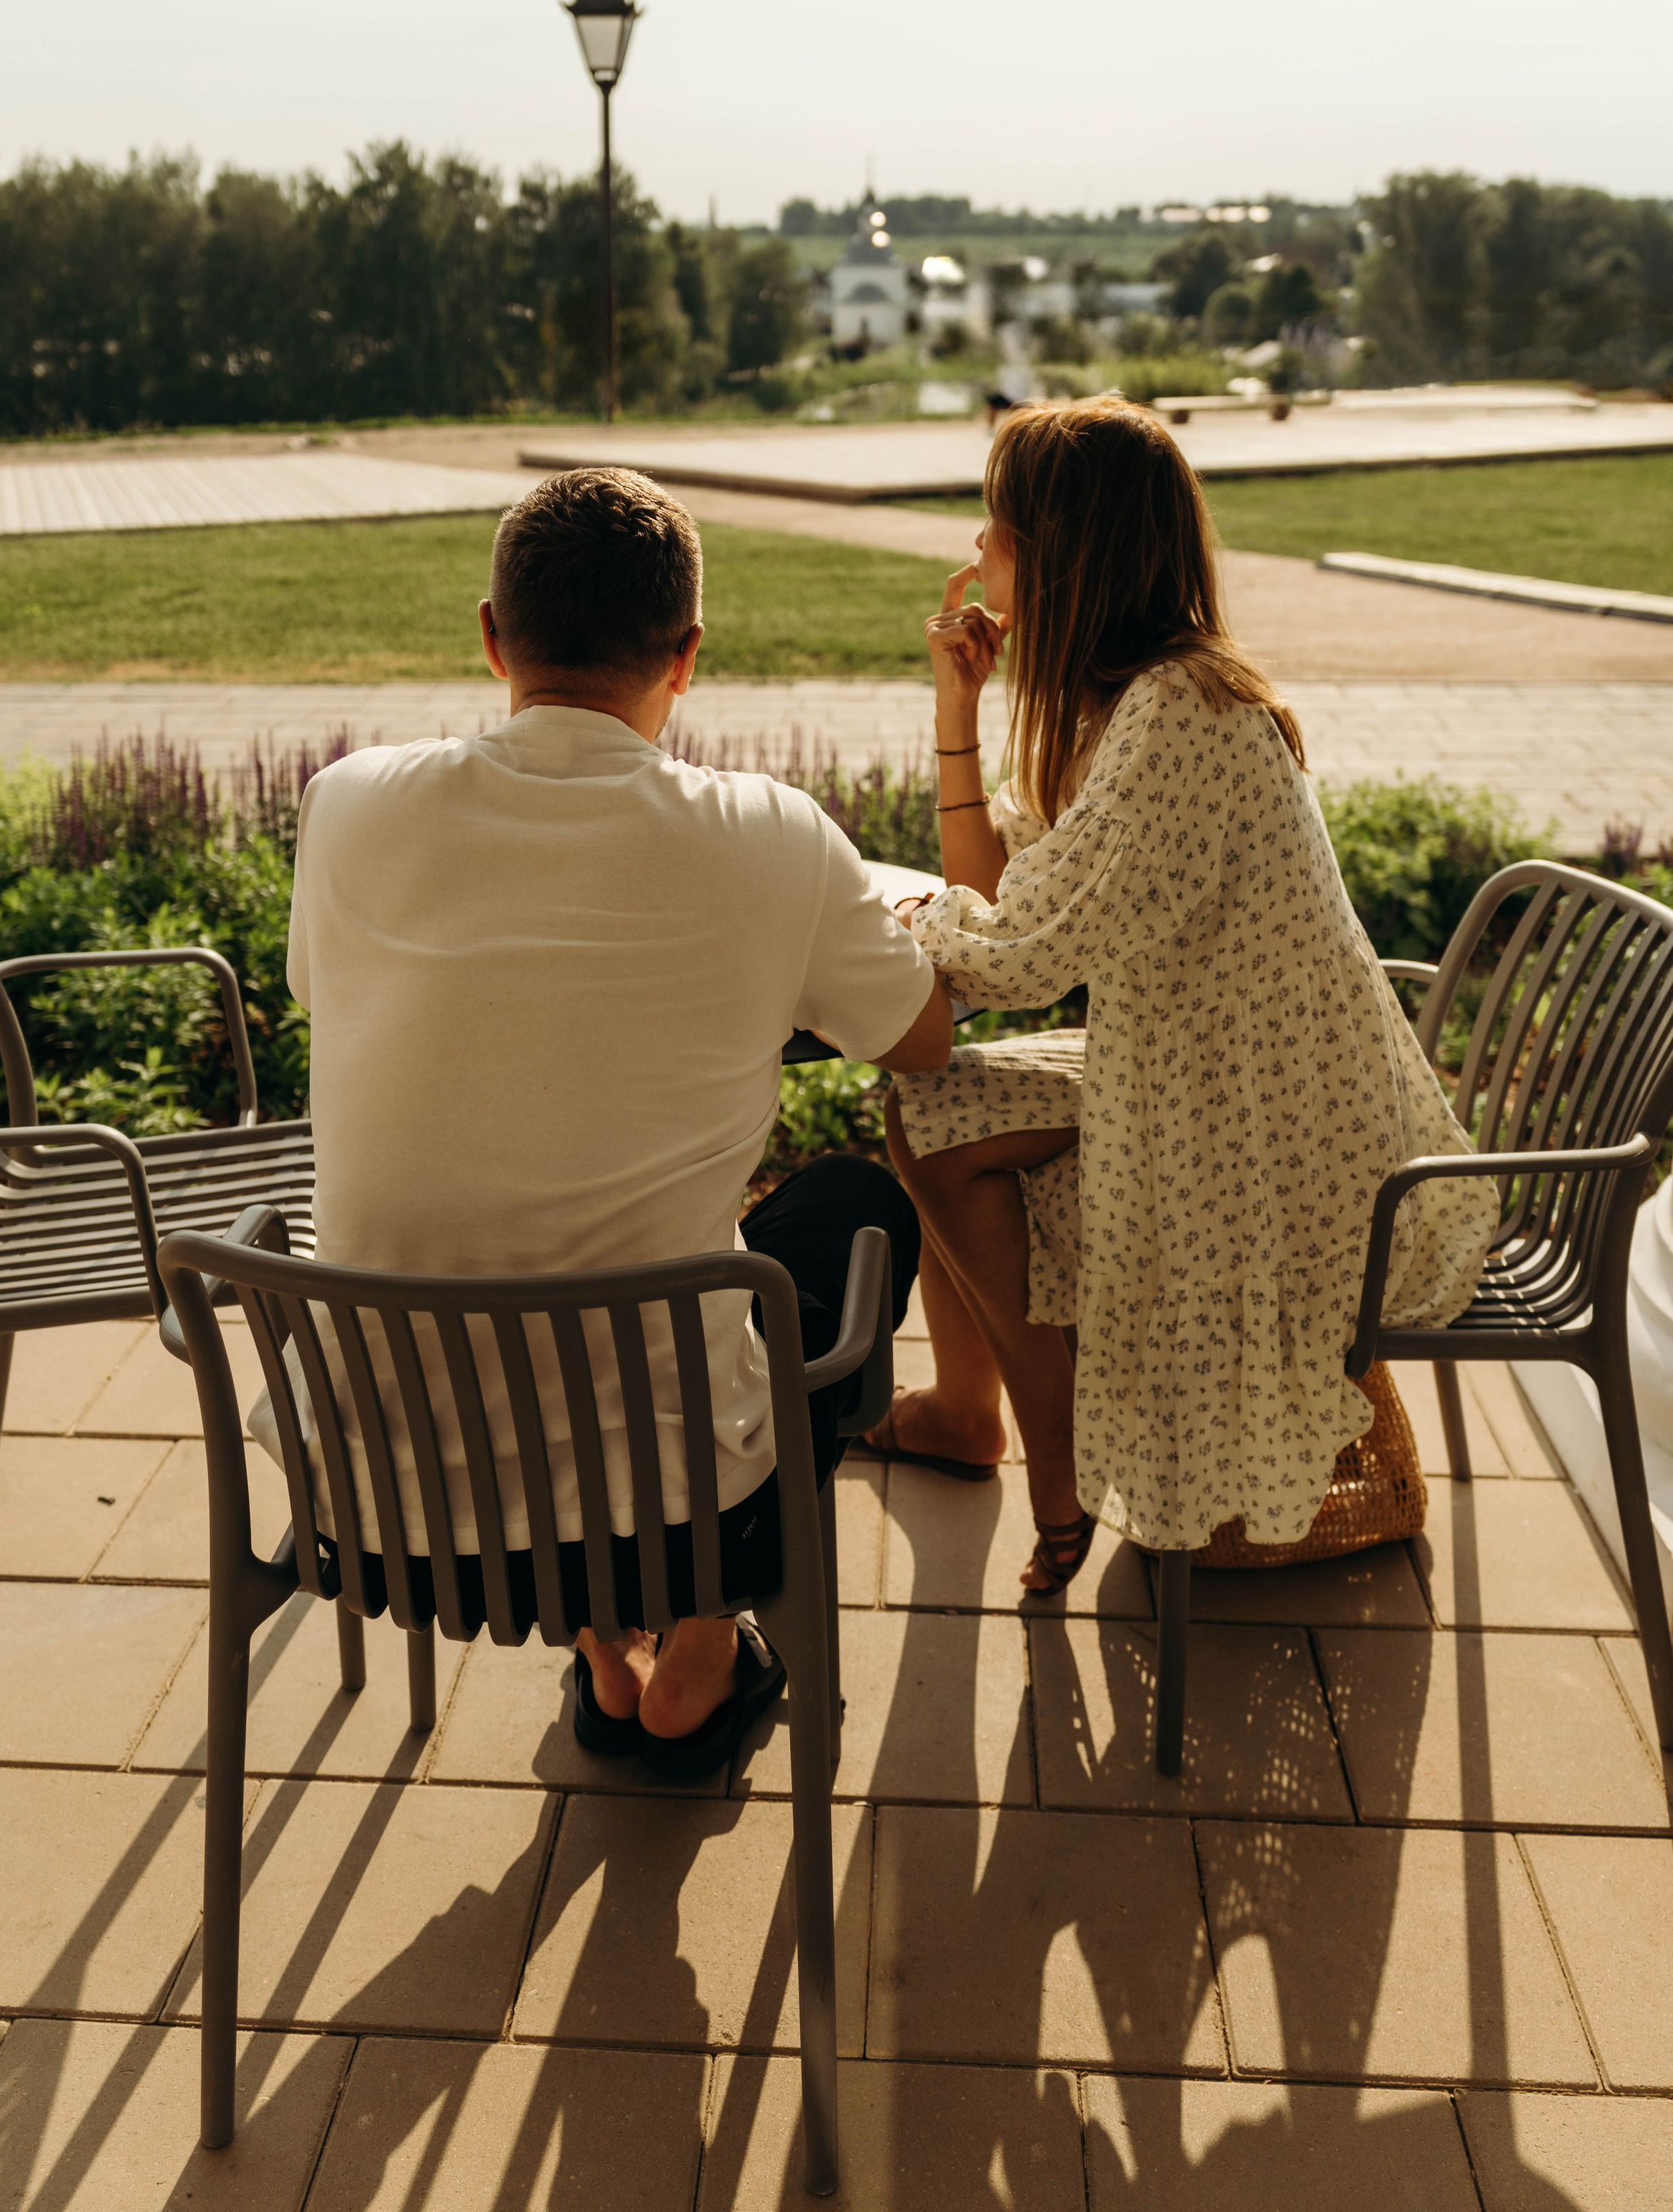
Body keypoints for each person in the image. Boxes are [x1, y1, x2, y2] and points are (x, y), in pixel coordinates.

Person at [272, 466, 946, 1776]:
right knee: (850, 1208)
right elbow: (919, 1041)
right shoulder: (772, 835)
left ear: (490, 638)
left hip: (377, 1496)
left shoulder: (344, 804)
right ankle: (699, 1649)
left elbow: (328, 992)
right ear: (687, 657)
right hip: (675, 1510)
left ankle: (600, 1651)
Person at [860, 398, 1498, 1593]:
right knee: (931, 1092)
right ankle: (969, 1413)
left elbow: (1010, 961)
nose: (977, 555)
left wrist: (927, 927)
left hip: (1273, 1135)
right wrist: (959, 712)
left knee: (935, 1117)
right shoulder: (1131, 701)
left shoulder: (1185, 718)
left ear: (1061, 554)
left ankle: (1047, 1464)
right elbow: (999, 895)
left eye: (996, 526)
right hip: (1208, 1075)